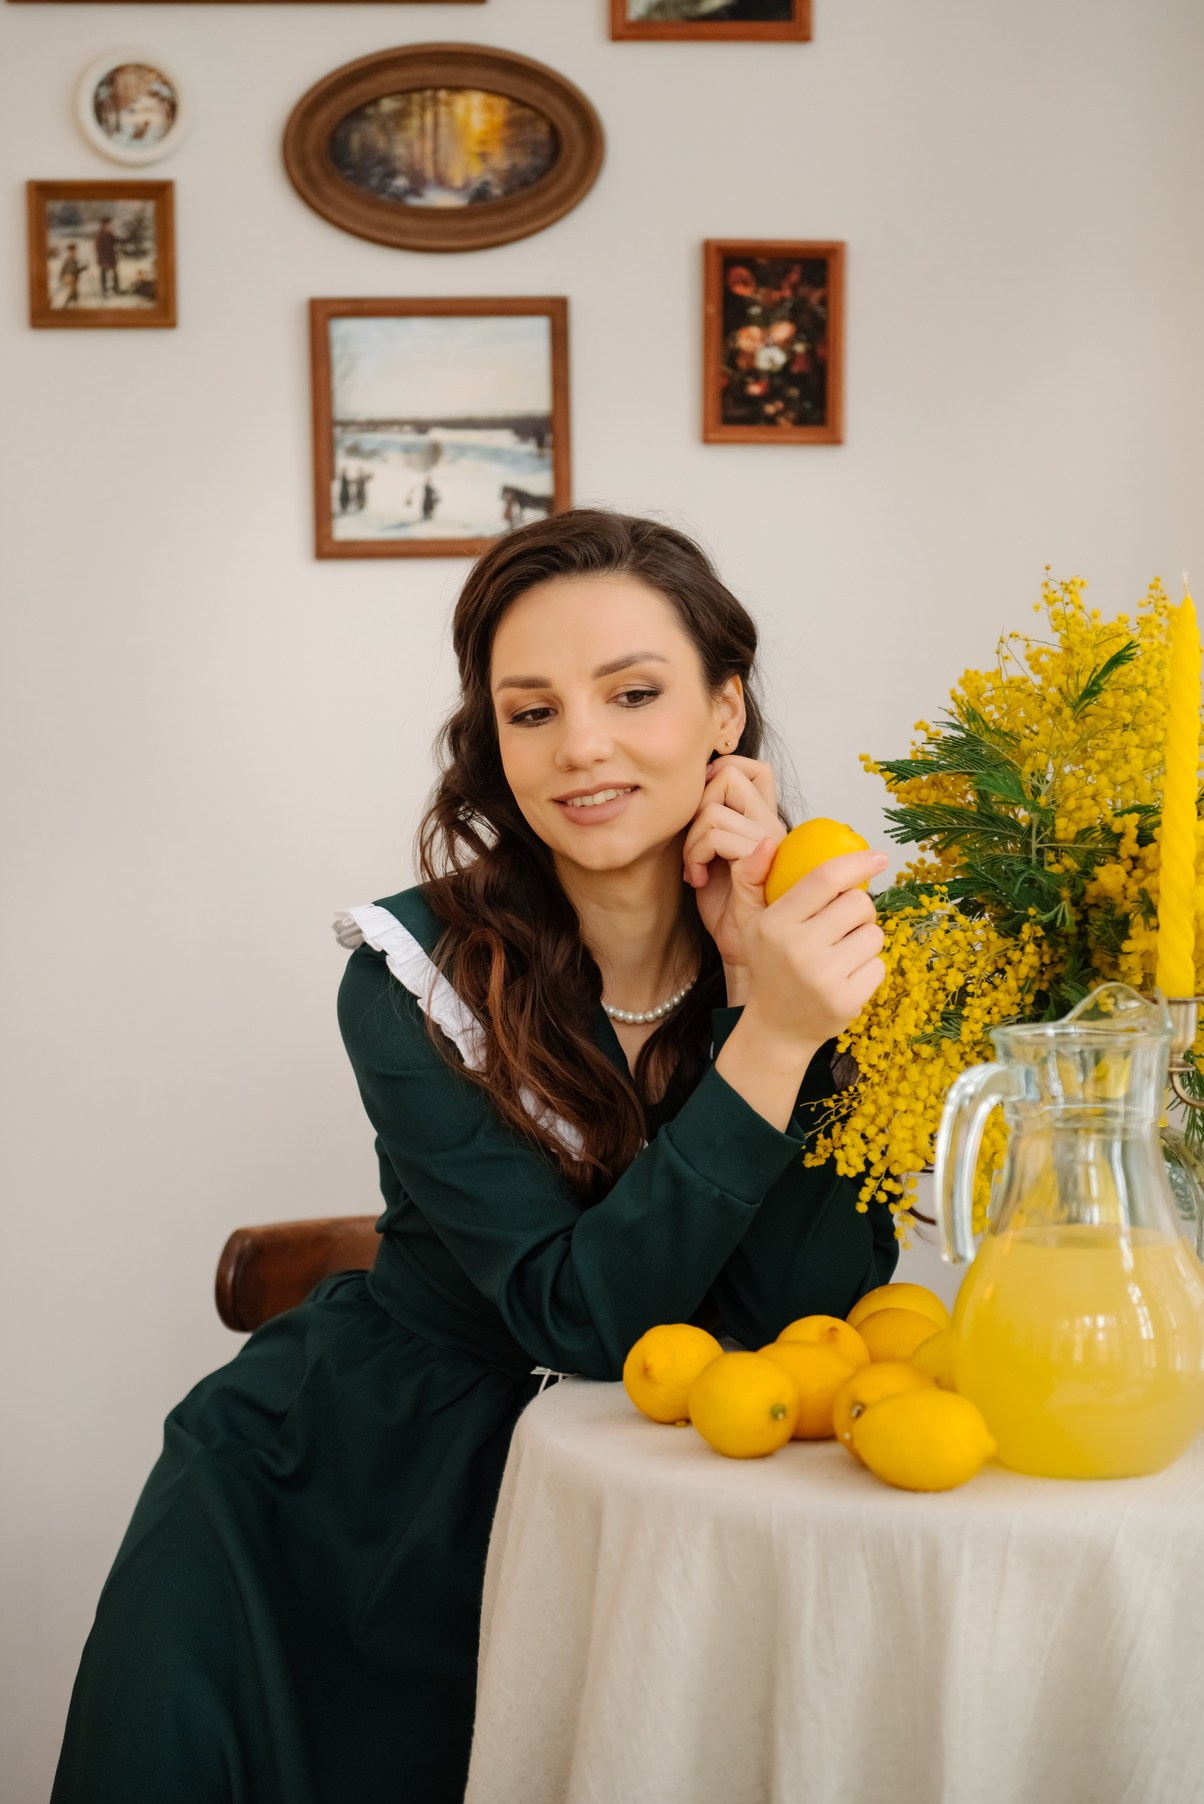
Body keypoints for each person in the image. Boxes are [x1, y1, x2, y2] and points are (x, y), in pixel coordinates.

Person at [50, 509, 896, 1803]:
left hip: (676, 1506)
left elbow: (801, 1313)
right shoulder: (413, 975)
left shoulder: (816, 952)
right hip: (347, 1507)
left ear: (726, 711)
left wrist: (748, 992)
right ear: (491, 740)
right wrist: (772, 1041)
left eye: (634, 693)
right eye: (532, 709)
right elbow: (581, 1317)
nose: (585, 746)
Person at [94, 216, 119, 297]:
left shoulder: (109, 233)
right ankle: (104, 290)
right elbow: (98, 249)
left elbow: (115, 241)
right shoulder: (100, 235)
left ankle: (116, 289)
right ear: (104, 224)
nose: (110, 225)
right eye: (109, 224)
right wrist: (103, 259)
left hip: (111, 257)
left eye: (110, 224)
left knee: (115, 272)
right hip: (103, 257)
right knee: (103, 273)